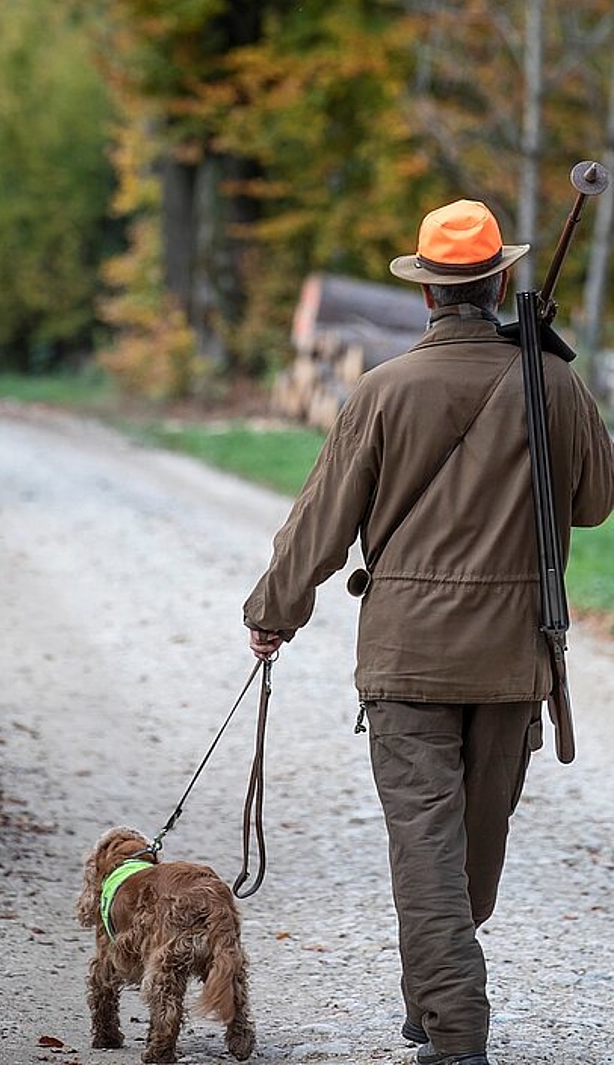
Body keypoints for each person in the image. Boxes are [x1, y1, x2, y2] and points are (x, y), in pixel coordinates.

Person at [243, 199, 614, 1065]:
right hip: (513, 655)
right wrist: (556, 376)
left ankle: (435, 992)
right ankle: (455, 1030)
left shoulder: (386, 389)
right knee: (458, 853)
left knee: (438, 855)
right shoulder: (550, 383)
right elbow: (599, 501)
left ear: (426, 297)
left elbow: (320, 521)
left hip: (409, 655)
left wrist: (273, 611)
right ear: (501, 282)